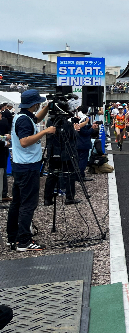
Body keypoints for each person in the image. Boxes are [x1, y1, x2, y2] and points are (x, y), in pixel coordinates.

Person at [6, 89, 55, 251]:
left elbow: (36, 118)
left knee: (17, 202)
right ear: (34, 104)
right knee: (28, 203)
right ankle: (24, 240)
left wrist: (47, 108)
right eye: (39, 103)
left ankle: (13, 237)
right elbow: (25, 142)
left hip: (21, 165)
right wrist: (45, 131)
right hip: (28, 167)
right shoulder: (24, 121)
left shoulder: (23, 116)